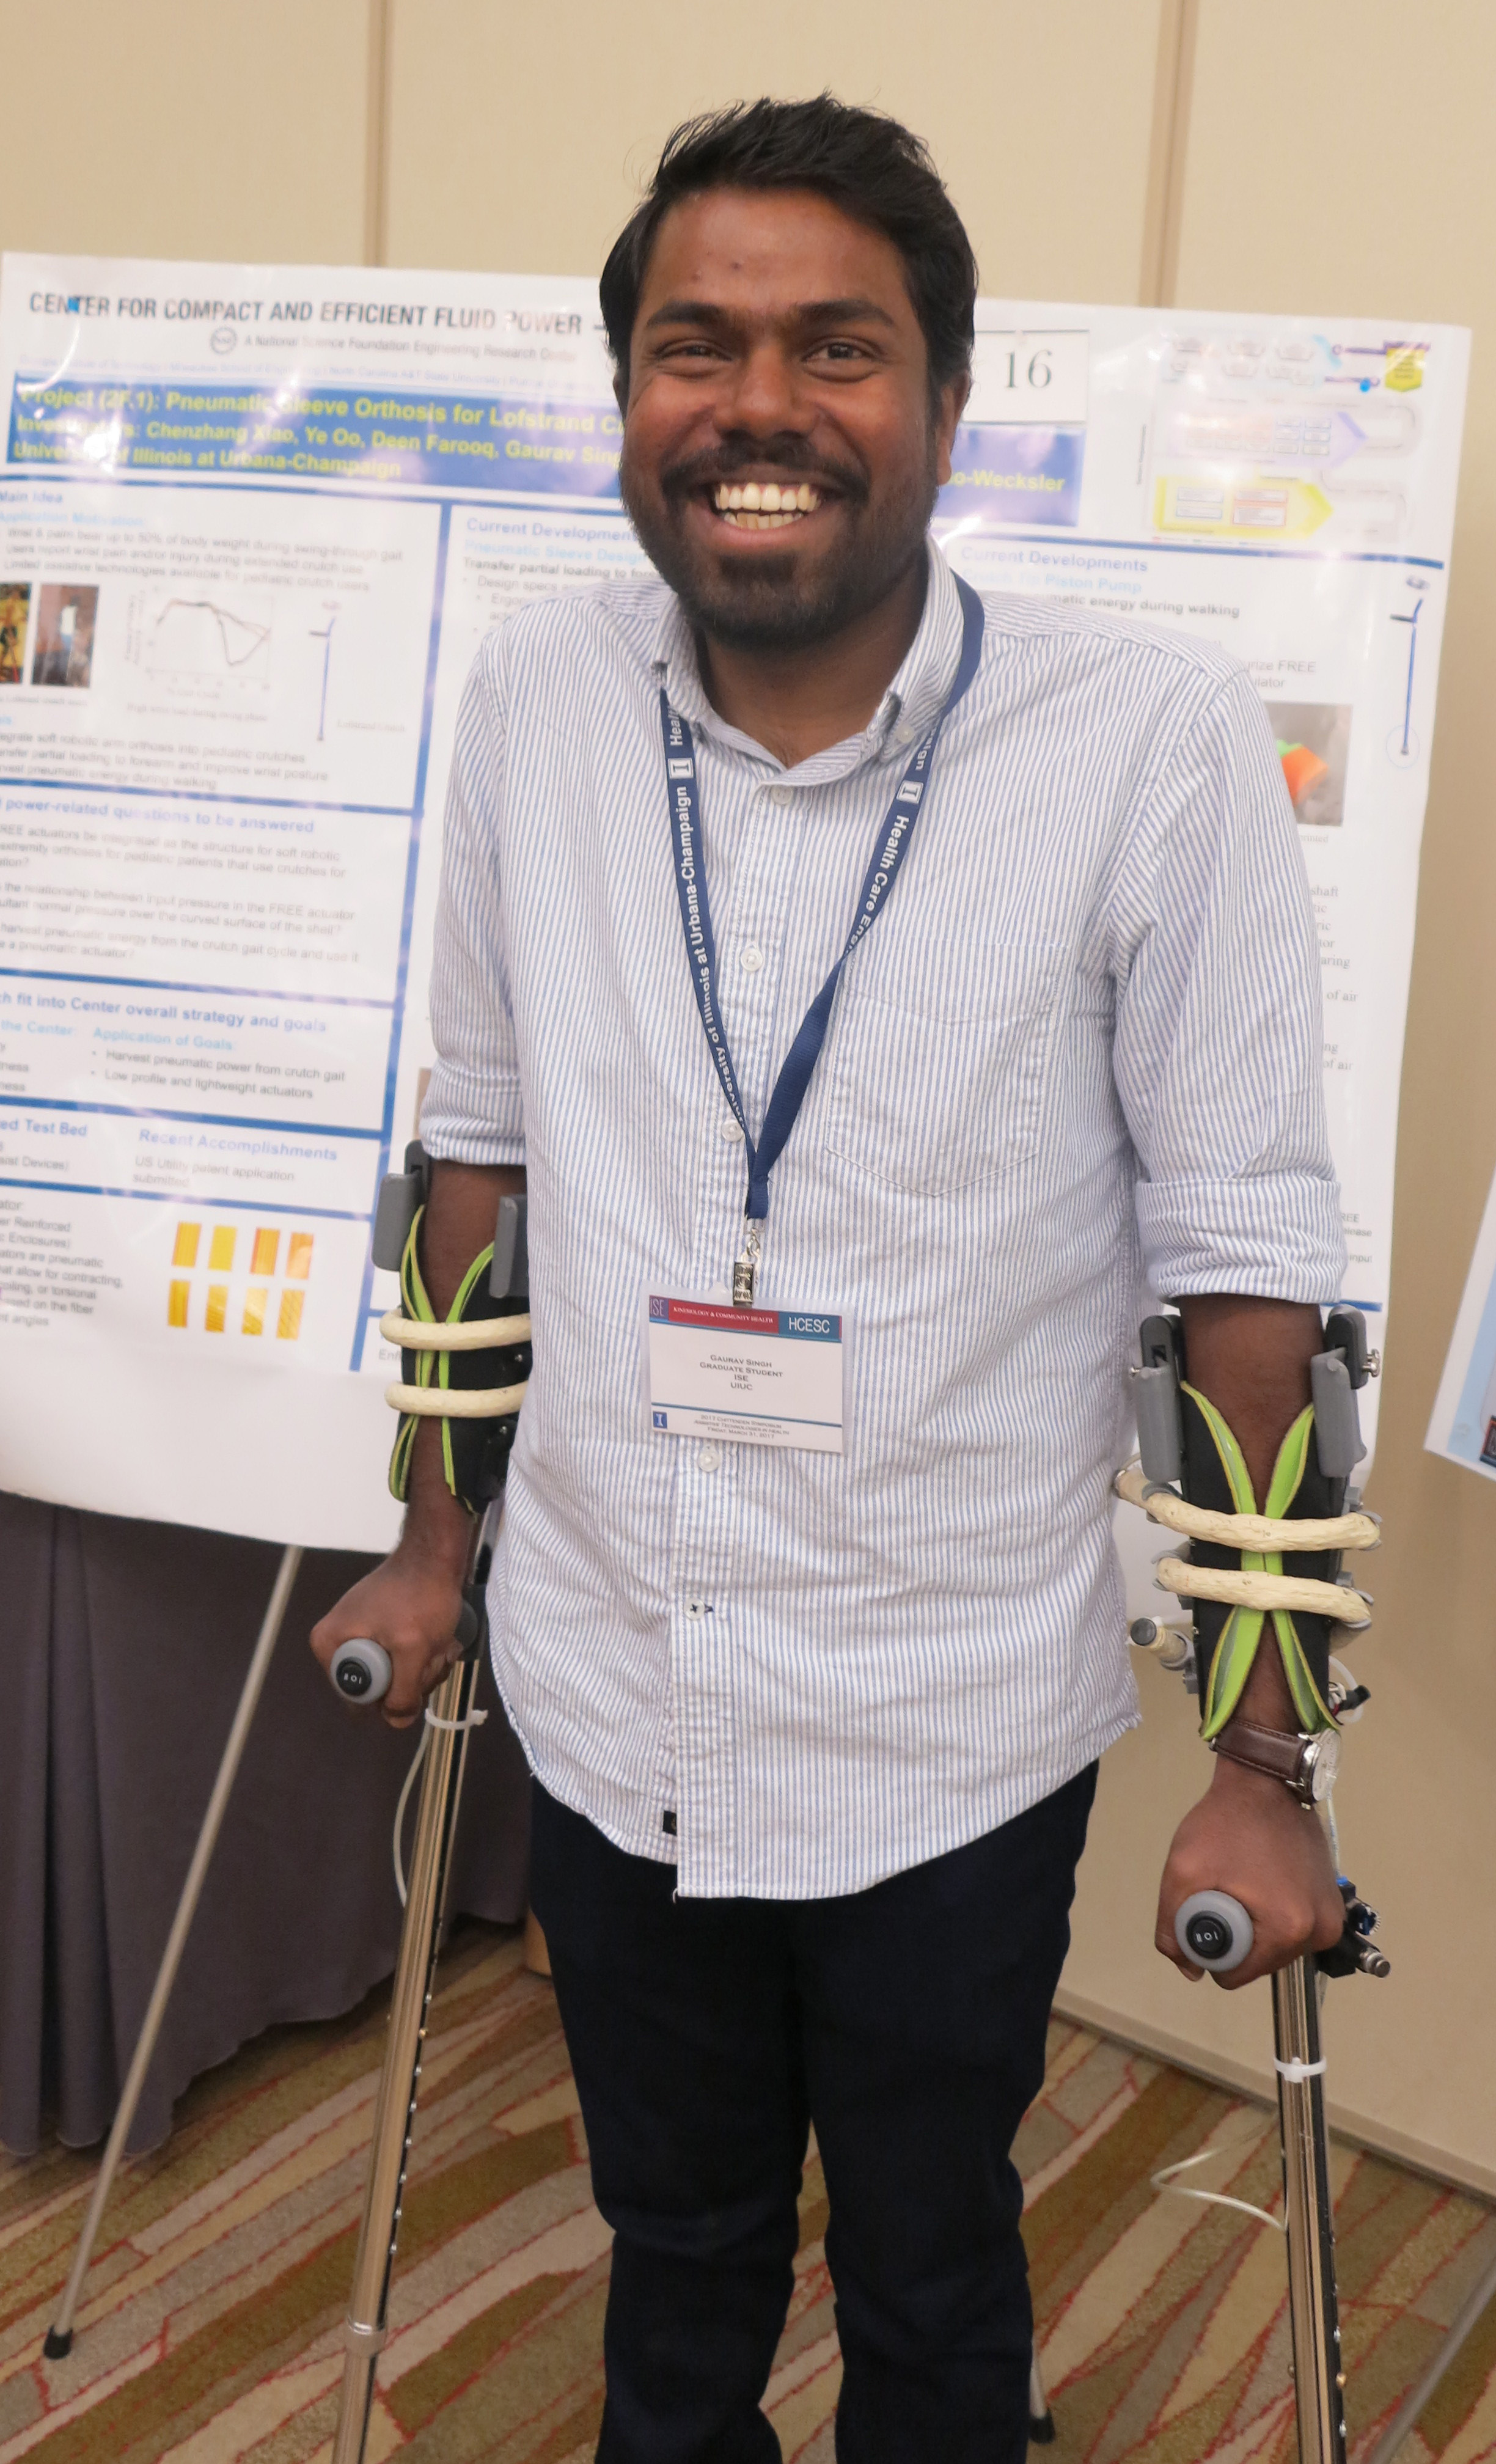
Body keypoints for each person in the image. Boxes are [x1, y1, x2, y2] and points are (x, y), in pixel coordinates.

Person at [313, 95, 1348, 2464]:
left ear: (949, 407)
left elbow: (1249, 1269)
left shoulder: (1148, 746)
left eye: (835, 349)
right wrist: (441, 1536)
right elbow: (477, 1144)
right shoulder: (537, 711)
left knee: (927, 2273)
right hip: (608, 1671)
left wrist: (1268, 1756)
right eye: (698, 347)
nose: (759, 407)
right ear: (632, 405)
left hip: (943, 1720)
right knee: (672, 2258)